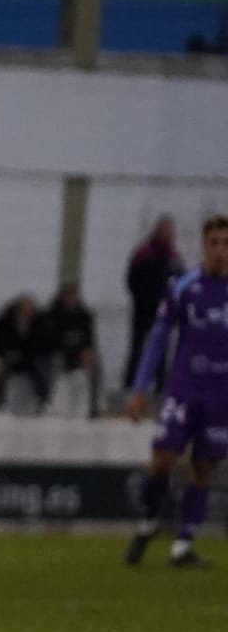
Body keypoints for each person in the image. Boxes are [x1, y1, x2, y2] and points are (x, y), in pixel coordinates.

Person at [124, 217, 228, 568]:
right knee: (162, 459)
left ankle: (182, 547)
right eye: (213, 242)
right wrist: (140, 388)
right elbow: (158, 339)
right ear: (203, 245)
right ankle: (149, 521)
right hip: (184, 389)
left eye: (225, 243)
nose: (219, 250)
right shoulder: (183, 286)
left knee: (203, 466)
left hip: (221, 395)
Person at [126, 216, 184, 389]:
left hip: (163, 310)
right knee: (137, 348)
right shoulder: (143, 253)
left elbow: (181, 281)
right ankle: (131, 386)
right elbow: (132, 280)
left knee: (161, 350)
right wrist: (141, 298)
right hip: (143, 309)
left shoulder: (173, 256)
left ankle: (160, 388)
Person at [0, 295, 54, 413]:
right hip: (8, 357)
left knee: (41, 367)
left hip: (29, 359)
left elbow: (42, 345)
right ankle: (0, 402)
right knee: (0, 369)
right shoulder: (5, 322)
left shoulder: (38, 323)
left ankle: (43, 400)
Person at [48, 281, 100, 418]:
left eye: (74, 295)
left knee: (95, 367)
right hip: (59, 355)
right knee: (54, 363)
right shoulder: (53, 315)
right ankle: (49, 403)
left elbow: (89, 340)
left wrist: (88, 352)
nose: (71, 299)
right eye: (68, 295)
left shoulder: (85, 315)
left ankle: (93, 406)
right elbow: (51, 341)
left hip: (79, 355)